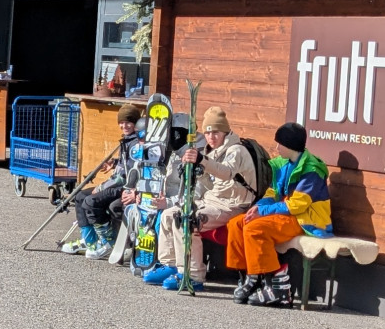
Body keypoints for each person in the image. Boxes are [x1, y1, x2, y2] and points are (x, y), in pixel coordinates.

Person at [139, 107, 259, 290]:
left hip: (233, 205)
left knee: (188, 220)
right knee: (169, 214)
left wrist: (202, 160)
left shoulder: (236, 150)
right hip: (212, 201)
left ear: (225, 131)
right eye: (208, 132)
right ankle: (170, 264)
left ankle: (193, 274)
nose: (211, 137)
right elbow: (211, 184)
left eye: (216, 132)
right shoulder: (214, 151)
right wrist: (197, 172)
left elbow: (226, 173)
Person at [224, 122, 333, 307]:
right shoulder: (283, 164)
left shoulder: (311, 170)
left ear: (290, 145)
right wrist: (259, 207)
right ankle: (251, 277)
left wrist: (263, 212)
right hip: (285, 213)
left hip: (306, 220)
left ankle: (278, 288)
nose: (276, 147)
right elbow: (273, 193)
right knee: (236, 223)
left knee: (256, 229)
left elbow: (297, 205)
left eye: (280, 143)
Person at [62, 104, 143, 258]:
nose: (124, 126)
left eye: (128, 122)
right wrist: (115, 162)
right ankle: (89, 240)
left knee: (91, 201)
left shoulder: (136, 143)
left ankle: (108, 241)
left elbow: (125, 175)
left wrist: (100, 188)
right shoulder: (126, 141)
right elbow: (125, 165)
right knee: (80, 196)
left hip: (125, 186)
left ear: (136, 124)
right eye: (121, 122)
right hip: (118, 182)